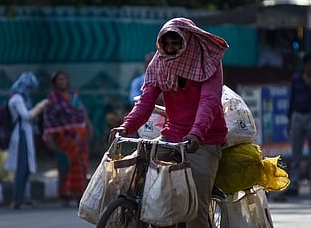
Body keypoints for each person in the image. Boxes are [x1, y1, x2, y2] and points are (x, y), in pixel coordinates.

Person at [109, 17, 229, 228]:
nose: (172, 49)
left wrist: (197, 132)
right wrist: (127, 126)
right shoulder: (159, 63)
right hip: (171, 136)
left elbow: (209, 101)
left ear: (187, 41)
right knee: (146, 189)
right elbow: (146, 101)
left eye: (177, 44)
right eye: (168, 45)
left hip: (204, 139)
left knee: (195, 208)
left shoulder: (208, 62)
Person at [42, 70, 93, 206]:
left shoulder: (73, 95)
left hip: (80, 136)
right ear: (55, 82)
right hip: (64, 139)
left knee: (81, 165)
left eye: (64, 79)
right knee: (66, 165)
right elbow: (48, 120)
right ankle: (65, 194)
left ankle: (80, 194)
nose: (62, 82)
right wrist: (50, 139)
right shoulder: (52, 99)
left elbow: (82, 112)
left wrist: (88, 125)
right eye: (59, 80)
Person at [282, 52, 311, 198]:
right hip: (297, 116)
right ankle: (294, 184)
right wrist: (289, 120)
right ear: (306, 65)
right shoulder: (296, 79)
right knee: (296, 153)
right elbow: (292, 100)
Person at [4, 72, 48, 209]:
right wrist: (40, 106)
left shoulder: (22, 98)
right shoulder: (17, 99)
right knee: (21, 168)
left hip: (26, 134)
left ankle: (21, 196)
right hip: (21, 135)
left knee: (27, 168)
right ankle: (17, 199)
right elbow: (26, 116)